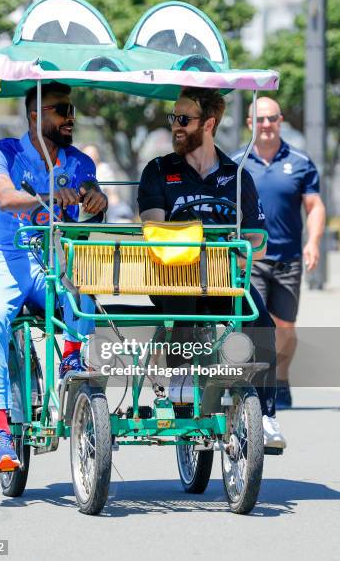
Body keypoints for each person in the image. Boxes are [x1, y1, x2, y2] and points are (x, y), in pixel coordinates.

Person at [138, 87, 286, 449]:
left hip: (224, 280)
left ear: (209, 123)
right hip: (173, 277)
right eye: (173, 117)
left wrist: (230, 253)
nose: (175, 126)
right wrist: (202, 246)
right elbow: (154, 229)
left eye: (184, 119)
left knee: (261, 322)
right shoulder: (158, 171)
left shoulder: (237, 177)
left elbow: (258, 241)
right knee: (183, 305)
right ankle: (182, 384)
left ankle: (265, 416)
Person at [0, 82, 107, 471]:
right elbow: (4, 197)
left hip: (53, 259)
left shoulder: (79, 160)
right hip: (4, 257)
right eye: (61, 110)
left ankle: (70, 359)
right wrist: (46, 196)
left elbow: (88, 195)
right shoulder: (2, 153)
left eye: (71, 110)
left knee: (85, 283)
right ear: (36, 115)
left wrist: (95, 198)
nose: (70, 118)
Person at [232, 97, 325, 409]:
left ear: (280, 120)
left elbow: (314, 207)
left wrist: (313, 242)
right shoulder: (236, 164)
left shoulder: (300, 162)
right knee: (254, 323)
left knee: (285, 327)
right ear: (250, 124)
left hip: (288, 259)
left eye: (271, 118)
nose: (266, 125)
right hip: (249, 260)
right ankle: (258, 388)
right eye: (260, 119)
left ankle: (281, 380)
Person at [83, 143, 134, 222]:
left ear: (97, 155)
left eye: (93, 154)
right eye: (87, 154)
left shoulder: (103, 168)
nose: (90, 156)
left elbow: (111, 192)